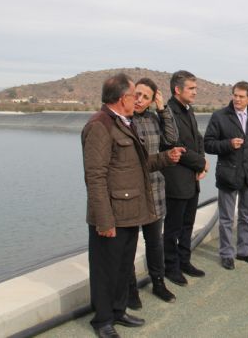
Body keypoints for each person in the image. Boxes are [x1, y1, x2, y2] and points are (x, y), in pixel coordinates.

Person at [82, 73, 184, 338]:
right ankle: (102, 320)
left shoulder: (124, 123)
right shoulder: (100, 125)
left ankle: (118, 311)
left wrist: (165, 157)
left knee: (122, 266)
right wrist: (104, 221)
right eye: (133, 95)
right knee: (106, 269)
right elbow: (95, 177)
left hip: (130, 213)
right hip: (112, 216)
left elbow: (138, 165)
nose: (137, 99)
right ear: (120, 98)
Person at [204, 81, 248, 270]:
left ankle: (244, 251)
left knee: (246, 215)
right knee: (226, 218)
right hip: (228, 174)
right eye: (235, 95)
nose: (237, 99)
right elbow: (207, 144)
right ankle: (226, 253)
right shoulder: (219, 116)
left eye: (241, 96)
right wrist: (228, 144)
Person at [127, 78, 178, 308]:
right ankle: (130, 290)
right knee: (128, 243)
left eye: (145, 97)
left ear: (151, 100)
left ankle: (158, 283)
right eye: (137, 94)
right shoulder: (124, 120)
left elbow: (172, 138)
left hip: (155, 189)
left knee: (154, 242)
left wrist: (162, 107)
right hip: (130, 192)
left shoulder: (153, 118)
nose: (139, 100)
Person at [161, 70, 209, 287]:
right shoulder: (168, 112)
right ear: (177, 89)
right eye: (191, 88)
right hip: (177, 180)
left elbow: (198, 138)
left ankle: (184, 261)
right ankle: (171, 267)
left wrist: (203, 160)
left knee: (187, 224)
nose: (195, 92)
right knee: (173, 227)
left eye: (195, 88)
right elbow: (175, 145)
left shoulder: (188, 110)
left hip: (191, 179)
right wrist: (200, 163)